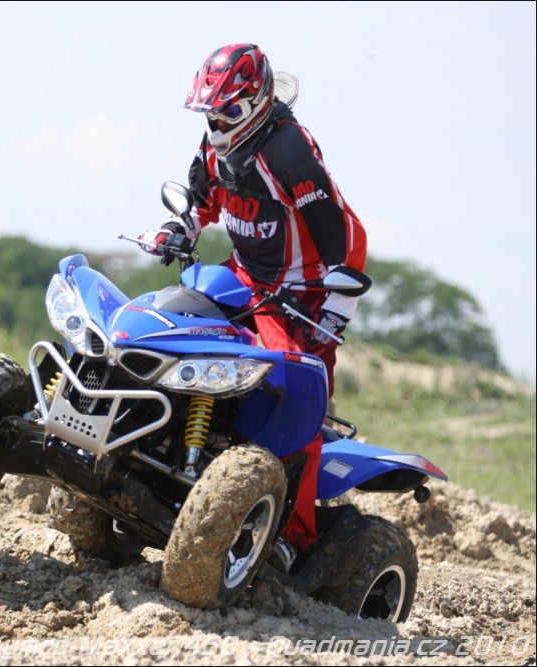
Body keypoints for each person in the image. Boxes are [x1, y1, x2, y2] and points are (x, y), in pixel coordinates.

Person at [139, 43, 367, 574]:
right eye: (211, 114)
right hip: (244, 274)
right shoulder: (218, 141)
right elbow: (201, 201)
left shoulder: (289, 154)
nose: (218, 124)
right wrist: (178, 228)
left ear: (260, 103)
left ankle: (291, 536)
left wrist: (334, 311)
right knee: (173, 322)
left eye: (230, 112)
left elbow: (343, 238)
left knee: (295, 396)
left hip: (303, 292)